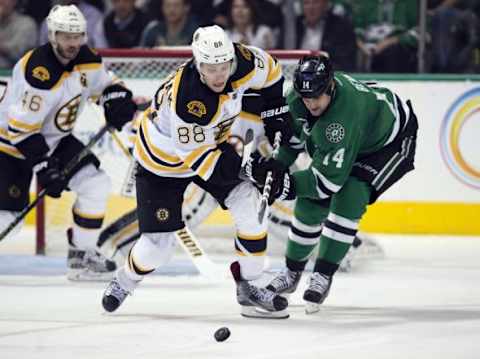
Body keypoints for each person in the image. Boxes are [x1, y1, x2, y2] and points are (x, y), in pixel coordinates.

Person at [101, 25, 292, 319]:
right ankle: (124, 281)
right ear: (197, 63)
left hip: (210, 144)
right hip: (162, 163)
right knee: (157, 249)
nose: (218, 74)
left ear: (232, 58)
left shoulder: (244, 61)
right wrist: (254, 169)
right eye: (209, 67)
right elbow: (202, 162)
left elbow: (272, 72)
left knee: (252, 208)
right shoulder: (190, 100)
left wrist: (276, 110)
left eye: (223, 66)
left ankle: (251, 287)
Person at [245, 54, 418, 314]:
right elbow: (293, 141)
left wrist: (284, 186)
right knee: (310, 203)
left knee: (350, 195)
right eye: (306, 97)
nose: (311, 103)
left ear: (331, 87)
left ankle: (323, 274)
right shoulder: (298, 98)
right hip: (358, 132)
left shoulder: (342, 118)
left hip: (388, 144)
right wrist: (277, 165)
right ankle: (291, 274)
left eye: (317, 96)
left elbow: (326, 183)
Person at [0, 5, 137, 280]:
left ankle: (81, 257)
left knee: (95, 184)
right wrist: (43, 167)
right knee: (9, 222)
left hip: (56, 140)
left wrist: (116, 98)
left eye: (77, 36)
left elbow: (106, 84)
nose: (73, 43)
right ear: (52, 35)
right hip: (11, 145)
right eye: (66, 36)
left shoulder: (87, 59)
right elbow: (21, 129)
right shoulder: (38, 72)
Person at [0, 0, 37, 69]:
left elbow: (17, 54)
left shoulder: (26, 23)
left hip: (12, 74)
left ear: (14, 1)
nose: (1, 2)